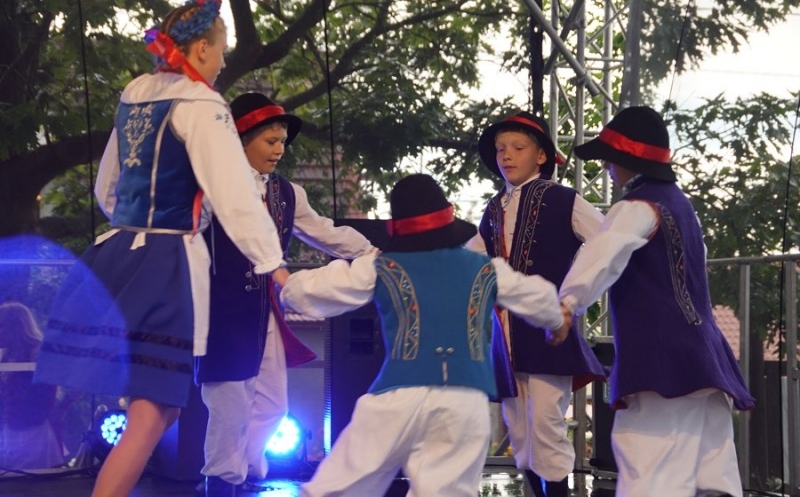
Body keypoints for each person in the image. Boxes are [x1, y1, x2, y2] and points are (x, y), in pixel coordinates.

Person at [34, 0, 290, 497]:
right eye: (220, 51)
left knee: (161, 408)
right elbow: (234, 195)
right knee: (152, 414)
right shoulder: (202, 104)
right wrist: (272, 263)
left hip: (117, 254)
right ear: (201, 49)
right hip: (165, 265)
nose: (222, 62)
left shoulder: (136, 93)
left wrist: (136, 223)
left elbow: (109, 187)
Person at [280, 173, 571, 497]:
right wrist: (556, 321)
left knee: (339, 485)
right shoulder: (485, 269)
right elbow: (537, 296)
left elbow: (308, 291)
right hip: (463, 399)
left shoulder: (382, 267)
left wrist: (281, 277)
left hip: (398, 394)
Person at [558, 105, 755, 497]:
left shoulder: (636, 206)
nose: (608, 169)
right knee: (712, 475)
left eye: (610, 160)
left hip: (661, 361)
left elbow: (604, 252)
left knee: (650, 466)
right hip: (703, 358)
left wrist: (567, 304)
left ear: (625, 161)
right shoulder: (681, 206)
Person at [195, 92, 376, 496]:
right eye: (270, 141)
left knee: (273, 406)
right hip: (220, 313)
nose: (279, 150)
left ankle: (241, 472)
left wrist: (370, 252)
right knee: (229, 407)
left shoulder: (285, 192)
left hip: (264, 312)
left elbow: (323, 231)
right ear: (241, 140)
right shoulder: (210, 188)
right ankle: (221, 483)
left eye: (281, 142)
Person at [468, 111, 607, 497]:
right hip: (507, 332)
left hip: (548, 326)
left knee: (546, 420)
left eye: (517, 147)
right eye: (501, 149)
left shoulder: (564, 199)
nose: (506, 155)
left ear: (541, 156)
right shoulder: (493, 209)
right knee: (519, 426)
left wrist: (575, 291)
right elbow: (473, 258)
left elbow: (605, 241)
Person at [0, 302, 64, 470]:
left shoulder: (37, 354)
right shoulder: (6, 355)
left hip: (33, 433)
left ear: (13, 327)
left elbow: (46, 397)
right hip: (9, 432)